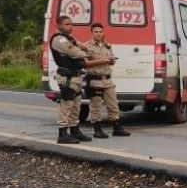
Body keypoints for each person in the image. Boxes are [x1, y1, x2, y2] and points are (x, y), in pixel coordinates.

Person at [49, 15, 115, 144]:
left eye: (71, 24)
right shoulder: (59, 40)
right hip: (67, 77)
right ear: (59, 26)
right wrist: (97, 57)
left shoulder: (70, 38)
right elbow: (77, 53)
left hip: (76, 76)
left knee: (76, 105)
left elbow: (81, 46)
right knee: (66, 105)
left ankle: (75, 130)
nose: (70, 26)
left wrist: (87, 49)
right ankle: (62, 133)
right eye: (67, 24)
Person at [83, 24, 131, 139]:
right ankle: (97, 130)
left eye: (100, 31)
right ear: (92, 33)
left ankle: (117, 127)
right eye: (96, 31)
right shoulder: (86, 46)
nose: (98, 33)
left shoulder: (107, 46)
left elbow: (111, 60)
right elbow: (85, 63)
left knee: (113, 104)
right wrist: (103, 60)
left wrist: (111, 61)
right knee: (96, 106)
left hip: (108, 79)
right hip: (95, 80)